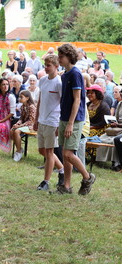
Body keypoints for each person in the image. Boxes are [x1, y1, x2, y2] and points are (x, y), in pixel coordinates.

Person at [57, 43, 95, 195]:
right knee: (65, 154)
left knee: (68, 154)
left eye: (61, 56)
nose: (59, 59)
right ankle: (66, 186)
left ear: (69, 57)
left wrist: (71, 123)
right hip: (64, 117)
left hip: (75, 119)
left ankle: (87, 177)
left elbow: (77, 99)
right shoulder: (65, 74)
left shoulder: (75, 74)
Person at [33, 54, 64, 191]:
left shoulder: (59, 83)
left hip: (53, 121)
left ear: (56, 67)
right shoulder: (43, 80)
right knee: (42, 150)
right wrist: (36, 119)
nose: (46, 68)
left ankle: (45, 182)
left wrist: (59, 123)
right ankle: (61, 169)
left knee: (50, 151)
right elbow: (40, 100)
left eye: (49, 65)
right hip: (42, 120)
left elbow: (63, 104)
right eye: (45, 65)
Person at [11, 90, 36, 162]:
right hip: (24, 125)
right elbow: (21, 118)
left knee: (16, 131)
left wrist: (19, 126)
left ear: (27, 98)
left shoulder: (31, 107)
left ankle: (18, 152)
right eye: (19, 97)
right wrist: (17, 124)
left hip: (31, 126)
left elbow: (31, 121)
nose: (19, 99)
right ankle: (19, 148)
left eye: (21, 97)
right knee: (12, 130)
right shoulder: (22, 107)